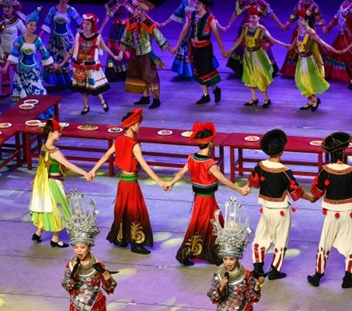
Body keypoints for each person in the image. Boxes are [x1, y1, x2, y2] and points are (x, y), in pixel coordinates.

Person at [88, 108, 169, 254]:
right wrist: (159, 181)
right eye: (138, 124)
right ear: (132, 125)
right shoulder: (134, 145)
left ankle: (122, 238)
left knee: (123, 210)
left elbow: (106, 156)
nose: (140, 126)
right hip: (130, 183)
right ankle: (136, 243)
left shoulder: (119, 140)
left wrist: (93, 170)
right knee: (135, 211)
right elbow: (144, 165)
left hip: (122, 182)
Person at [168, 122, 250, 266]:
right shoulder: (209, 163)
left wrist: (171, 183)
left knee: (205, 225)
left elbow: (181, 173)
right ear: (210, 143)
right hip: (207, 200)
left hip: (199, 198)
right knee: (211, 225)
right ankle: (209, 254)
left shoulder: (192, 158)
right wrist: (240, 190)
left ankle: (202, 253)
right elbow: (223, 180)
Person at [307, 131, 352, 289]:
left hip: (331, 212)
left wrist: (307, 197)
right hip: (349, 212)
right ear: (344, 152)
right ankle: (348, 278)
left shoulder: (325, 170)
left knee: (324, 242)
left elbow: (316, 192)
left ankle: (318, 275)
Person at [247, 129, 310, 280]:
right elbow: (296, 191)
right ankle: (275, 271)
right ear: (281, 152)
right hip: (281, 210)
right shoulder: (285, 171)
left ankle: (258, 268)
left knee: (260, 237)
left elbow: (253, 181)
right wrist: (311, 198)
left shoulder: (260, 165)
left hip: (266, 209)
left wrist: (247, 187)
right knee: (281, 240)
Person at [30, 118, 90, 248]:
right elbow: (69, 165)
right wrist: (85, 173)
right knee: (60, 210)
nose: (60, 134)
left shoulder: (43, 147)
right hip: (54, 184)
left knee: (46, 208)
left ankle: (38, 233)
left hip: (44, 183)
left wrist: (36, 180)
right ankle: (55, 239)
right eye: (58, 132)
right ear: (51, 133)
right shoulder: (54, 151)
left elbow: (41, 166)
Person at [224, 6, 290, 108]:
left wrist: (285, 45)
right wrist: (229, 50)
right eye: (250, 17)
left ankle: (266, 99)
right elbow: (239, 41)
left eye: (254, 17)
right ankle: (253, 98)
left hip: (257, 55)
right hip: (248, 55)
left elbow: (272, 39)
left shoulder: (261, 29)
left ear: (259, 18)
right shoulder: (245, 27)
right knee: (249, 75)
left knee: (259, 75)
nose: (252, 19)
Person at [57, 13, 121, 115]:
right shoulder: (79, 36)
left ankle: (102, 102)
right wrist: (62, 63)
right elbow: (72, 51)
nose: (85, 25)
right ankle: (86, 106)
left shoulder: (97, 37)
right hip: (81, 66)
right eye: (84, 23)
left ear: (92, 25)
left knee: (94, 87)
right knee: (83, 88)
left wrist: (114, 56)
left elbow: (106, 48)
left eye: (87, 24)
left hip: (92, 66)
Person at [171, 0, 227, 105]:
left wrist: (222, 50)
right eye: (195, 2)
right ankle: (206, 95)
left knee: (204, 72)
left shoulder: (210, 18)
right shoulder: (191, 15)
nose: (195, 5)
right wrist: (177, 45)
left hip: (205, 49)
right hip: (194, 48)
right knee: (198, 71)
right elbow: (185, 30)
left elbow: (217, 35)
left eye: (199, 3)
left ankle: (216, 89)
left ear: (204, 5)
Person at [223, 0, 284, 78]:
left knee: (261, 46)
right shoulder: (243, 1)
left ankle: (263, 68)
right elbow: (236, 13)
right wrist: (229, 24)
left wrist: (280, 24)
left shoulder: (261, 3)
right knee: (242, 46)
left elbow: (271, 14)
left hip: (258, 27)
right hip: (245, 27)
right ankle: (243, 69)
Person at [279, 0, 327, 78]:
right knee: (296, 49)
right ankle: (294, 71)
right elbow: (293, 15)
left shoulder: (314, 6)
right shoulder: (299, 4)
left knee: (310, 50)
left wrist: (324, 27)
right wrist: (287, 24)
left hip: (309, 32)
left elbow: (318, 19)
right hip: (298, 31)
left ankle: (311, 70)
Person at [121, 0, 170, 109]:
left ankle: (156, 99)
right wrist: (122, 49)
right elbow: (126, 36)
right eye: (137, 9)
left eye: (141, 10)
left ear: (144, 12)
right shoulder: (132, 22)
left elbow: (159, 36)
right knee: (139, 75)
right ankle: (145, 97)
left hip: (146, 55)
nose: (138, 12)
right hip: (135, 54)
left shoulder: (149, 24)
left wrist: (169, 48)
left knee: (149, 76)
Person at [293, 18, 350, 111]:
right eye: (298, 19)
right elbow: (296, 42)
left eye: (302, 19)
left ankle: (315, 99)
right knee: (301, 80)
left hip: (308, 60)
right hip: (301, 59)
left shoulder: (311, 33)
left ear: (307, 21)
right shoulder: (299, 30)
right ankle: (310, 101)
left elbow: (323, 43)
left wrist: (336, 51)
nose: (299, 21)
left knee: (304, 81)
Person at [2, 7, 55, 104]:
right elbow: (13, 54)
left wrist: (51, 65)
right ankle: (18, 112)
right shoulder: (19, 39)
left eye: (35, 26)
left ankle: (40, 111)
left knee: (38, 90)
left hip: (34, 70)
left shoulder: (37, 40)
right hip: (21, 71)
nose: (33, 27)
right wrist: (6, 67)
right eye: (31, 25)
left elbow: (44, 54)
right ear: (26, 25)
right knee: (19, 93)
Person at [40, 0, 84, 88]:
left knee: (67, 59)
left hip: (67, 40)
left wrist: (85, 37)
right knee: (54, 59)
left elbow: (81, 24)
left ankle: (70, 81)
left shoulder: (71, 10)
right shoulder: (53, 10)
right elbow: (46, 24)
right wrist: (38, 37)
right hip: (54, 40)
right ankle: (58, 82)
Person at [160, 0, 202, 79]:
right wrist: (165, 22)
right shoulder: (184, 2)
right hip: (185, 29)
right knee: (185, 49)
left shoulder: (200, 2)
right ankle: (187, 71)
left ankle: (198, 70)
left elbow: (206, 16)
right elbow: (177, 13)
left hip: (196, 30)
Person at [100, 0, 137, 82]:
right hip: (115, 30)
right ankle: (112, 73)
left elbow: (137, 15)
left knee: (127, 50)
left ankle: (126, 73)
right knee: (113, 50)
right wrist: (101, 29)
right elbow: (107, 16)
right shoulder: (113, 2)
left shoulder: (131, 2)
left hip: (127, 29)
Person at [0, 0, 26, 98]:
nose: (6, 9)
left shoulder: (18, 21)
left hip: (14, 50)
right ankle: (6, 91)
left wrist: (22, 46)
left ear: (13, 8)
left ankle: (20, 90)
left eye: (8, 7)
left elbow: (24, 33)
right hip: (2, 49)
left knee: (17, 71)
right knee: (4, 72)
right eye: (5, 6)